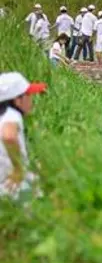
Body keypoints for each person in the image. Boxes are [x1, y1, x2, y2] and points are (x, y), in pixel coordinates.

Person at [0, 72, 47, 200]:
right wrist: (18, 169)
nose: (31, 100)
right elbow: (8, 136)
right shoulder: (11, 115)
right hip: (11, 185)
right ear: (17, 100)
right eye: (28, 95)